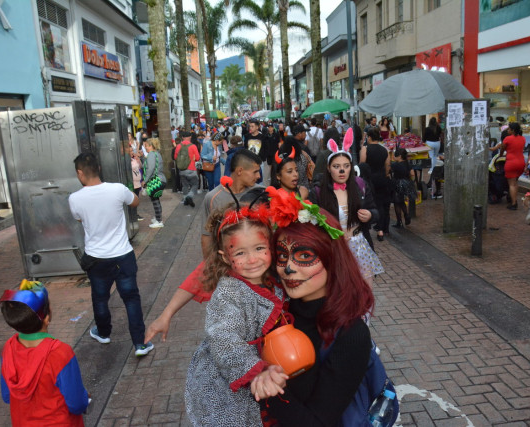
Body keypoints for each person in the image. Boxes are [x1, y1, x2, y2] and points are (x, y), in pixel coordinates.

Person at [255, 189, 374, 425]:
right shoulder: (276, 313)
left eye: (304, 256)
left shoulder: (351, 335)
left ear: (332, 258)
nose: (287, 268)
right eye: (282, 255)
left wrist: (265, 386)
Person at [144, 149, 264, 343]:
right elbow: (205, 243)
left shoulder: (260, 194)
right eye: (255, 172)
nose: (259, 176)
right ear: (240, 171)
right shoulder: (213, 198)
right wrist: (165, 315)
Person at [184, 199, 286, 426]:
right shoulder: (229, 292)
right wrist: (255, 371)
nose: (252, 260)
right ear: (224, 256)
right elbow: (224, 337)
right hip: (225, 380)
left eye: (260, 248)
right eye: (240, 253)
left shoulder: (273, 281)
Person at [68, 152, 154, 357]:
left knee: (100, 298)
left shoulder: (75, 198)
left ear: (80, 173)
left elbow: (80, 219)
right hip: (123, 255)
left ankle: (104, 332)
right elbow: (135, 202)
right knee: (131, 299)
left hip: (96, 258)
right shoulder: (117, 190)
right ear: (98, 168)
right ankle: (140, 344)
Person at [0, 280, 89, 425]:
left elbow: (7, 396)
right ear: (46, 317)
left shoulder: (8, 348)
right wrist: (84, 396)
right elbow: (76, 404)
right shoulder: (60, 353)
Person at [311, 128, 383, 282]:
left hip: (360, 247)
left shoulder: (360, 186)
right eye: (336, 166)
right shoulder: (318, 192)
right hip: (334, 250)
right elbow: (312, 225)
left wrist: (370, 215)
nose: (342, 170)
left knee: (365, 294)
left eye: (346, 166)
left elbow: (375, 211)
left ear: (351, 167)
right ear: (329, 169)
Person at [360, 127, 391, 241]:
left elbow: (362, 164)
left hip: (369, 180)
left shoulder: (365, 149)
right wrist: (385, 175)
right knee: (381, 203)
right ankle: (382, 228)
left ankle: (373, 226)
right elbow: (388, 166)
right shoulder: (385, 150)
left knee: (369, 203)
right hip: (382, 179)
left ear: (370, 137)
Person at [499, 122, 526, 210]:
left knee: (511, 184)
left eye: (509, 129)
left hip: (511, 163)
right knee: (515, 183)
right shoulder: (523, 139)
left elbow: (502, 148)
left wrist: (501, 155)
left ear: (513, 130)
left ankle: (514, 203)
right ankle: (513, 199)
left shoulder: (507, 139)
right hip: (521, 162)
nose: (508, 130)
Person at [141, 138, 167, 228]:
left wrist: (145, 180)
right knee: (156, 200)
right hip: (160, 179)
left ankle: (159, 221)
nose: (146, 148)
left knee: (155, 201)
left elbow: (150, 168)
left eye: (147, 146)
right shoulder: (157, 154)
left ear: (151, 146)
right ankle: (158, 218)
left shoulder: (151, 154)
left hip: (155, 180)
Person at [389, 148, 417, 228]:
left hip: (397, 184)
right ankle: (406, 216)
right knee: (401, 201)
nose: (394, 157)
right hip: (406, 183)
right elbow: (412, 174)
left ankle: (399, 221)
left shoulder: (395, 165)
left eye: (395, 155)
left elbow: (389, 169)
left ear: (400, 156)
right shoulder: (407, 163)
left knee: (397, 202)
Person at [175, 130, 201, 208]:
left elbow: (175, 157)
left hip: (182, 169)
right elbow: (197, 158)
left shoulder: (178, 146)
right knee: (195, 184)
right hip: (191, 169)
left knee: (185, 185)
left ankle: (185, 199)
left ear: (182, 137)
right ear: (190, 137)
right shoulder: (193, 146)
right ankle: (189, 196)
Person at [130, 150, 143, 221]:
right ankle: (133, 215)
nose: (132, 152)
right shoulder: (128, 161)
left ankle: (135, 213)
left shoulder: (133, 159)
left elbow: (140, 166)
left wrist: (138, 159)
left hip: (138, 182)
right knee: (133, 199)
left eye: (132, 150)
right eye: (131, 150)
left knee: (137, 198)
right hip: (133, 183)